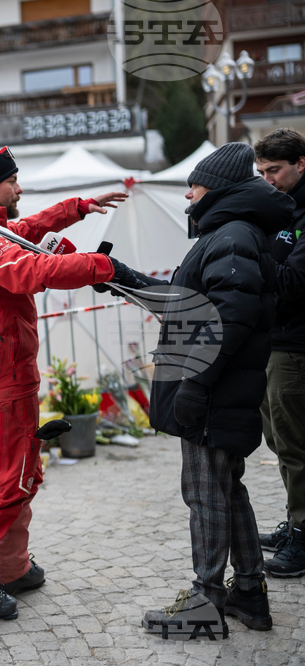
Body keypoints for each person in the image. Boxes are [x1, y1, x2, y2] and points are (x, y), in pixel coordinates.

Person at [0, 145, 145, 620]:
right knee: (5, 485)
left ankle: (8, 568)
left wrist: (78, 209)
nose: (19, 188)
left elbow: (23, 234)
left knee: (18, 478)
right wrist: (101, 267)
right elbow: (32, 269)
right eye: (12, 181)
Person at [142, 142, 293, 638]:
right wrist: (122, 279)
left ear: (219, 188)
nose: (188, 194)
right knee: (228, 491)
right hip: (220, 388)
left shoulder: (231, 234)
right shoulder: (234, 232)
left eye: (195, 184)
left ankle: (205, 601)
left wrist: (195, 384)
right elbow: (195, 302)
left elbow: (228, 319)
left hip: (214, 391)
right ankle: (249, 592)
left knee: (205, 494)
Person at [254, 128, 305, 578]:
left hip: (297, 345)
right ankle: (296, 522)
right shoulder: (281, 209)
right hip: (277, 340)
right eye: (261, 172)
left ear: (301, 164)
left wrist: (251, 256)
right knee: (280, 442)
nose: (267, 179)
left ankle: (304, 536)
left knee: (296, 445)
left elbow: (293, 283)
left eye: (275, 170)